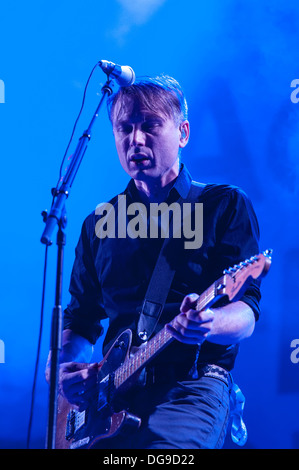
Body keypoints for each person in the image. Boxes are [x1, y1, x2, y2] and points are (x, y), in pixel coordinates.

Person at [46, 74, 261, 449]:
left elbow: (245, 312)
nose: (136, 139)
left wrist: (208, 322)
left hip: (190, 386)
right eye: (124, 128)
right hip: (109, 397)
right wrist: (63, 370)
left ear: (183, 133)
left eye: (150, 126)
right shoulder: (99, 224)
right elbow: (80, 322)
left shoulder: (223, 204)